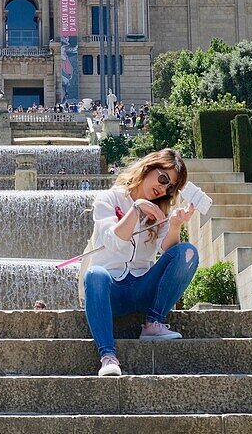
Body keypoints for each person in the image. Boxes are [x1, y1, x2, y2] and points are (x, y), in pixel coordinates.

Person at [80, 148, 199, 377]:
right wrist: (136, 210)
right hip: (111, 290)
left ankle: (154, 322)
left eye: (170, 187)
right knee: (95, 274)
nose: (163, 188)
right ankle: (108, 356)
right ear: (149, 167)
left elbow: (169, 254)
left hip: (143, 288)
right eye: (163, 178)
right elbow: (112, 241)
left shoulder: (161, 211)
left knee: (188, 252)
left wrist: (175, 226)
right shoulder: (109, 198)